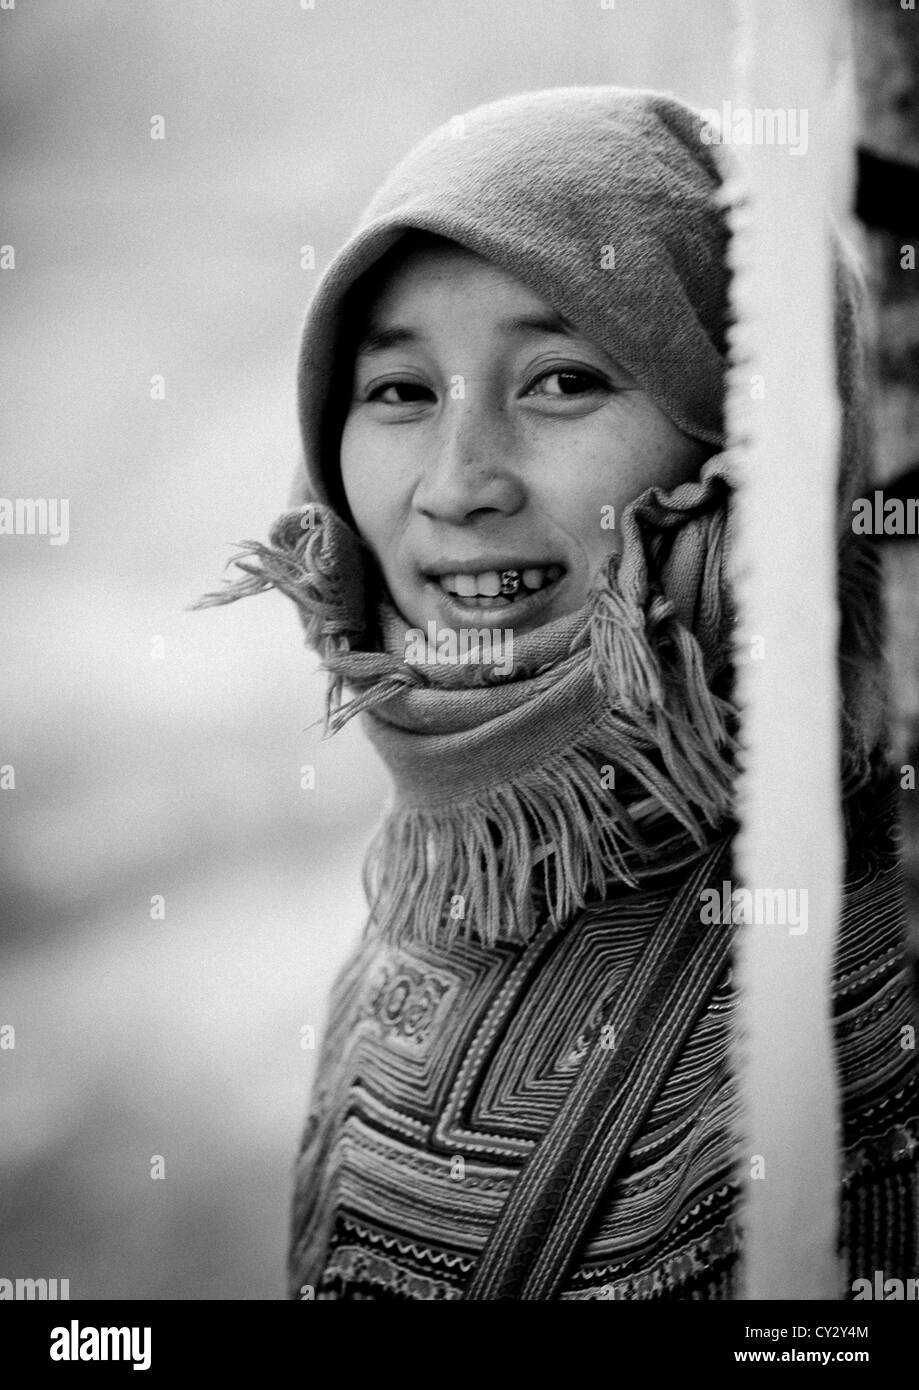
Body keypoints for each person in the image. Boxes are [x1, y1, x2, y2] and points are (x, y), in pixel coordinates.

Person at [197, 86, 919, 1300]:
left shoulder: (880, 947)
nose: (457, 483)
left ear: (754, 435)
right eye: (400, 393)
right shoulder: (437, 885)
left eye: (563, 381)